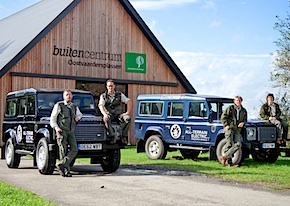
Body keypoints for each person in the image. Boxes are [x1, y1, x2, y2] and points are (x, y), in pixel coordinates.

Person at [50, 90, 82, 177]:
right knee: (63, 151)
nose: (68, 96)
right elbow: (52, 119)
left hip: (71, 131)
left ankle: (62, 164)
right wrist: (56, 128)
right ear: (64, 96)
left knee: (74, 149)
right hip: (62, 130)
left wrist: (77, 118)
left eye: (70, 95)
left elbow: (80, 115)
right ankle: (66, 171)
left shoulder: (74, 107)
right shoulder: (59, 105)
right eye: (67, 95)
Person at [98, 79, 132, 145]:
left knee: (128, 118)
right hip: (109, 114)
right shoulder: (103, 96)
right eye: (109, 86)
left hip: (118, 114)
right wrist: (105, 114)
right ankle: (112, 136)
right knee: (106, 119)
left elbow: (129, 101)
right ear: (106, 87)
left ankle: (123, 136)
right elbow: (101, 105)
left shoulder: (119, 95)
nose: (110, 87)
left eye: (111, 86)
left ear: (114, 86)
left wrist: (127, 113)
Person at [220, 96, 247, 167]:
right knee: (229, 144)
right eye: (237, 100)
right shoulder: (230, 108)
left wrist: (243, 123)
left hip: (237, 129)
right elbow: (223, 117)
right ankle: (230, 162)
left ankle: (225, 156)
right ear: (234, 101)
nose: (238, 102)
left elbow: (245, 119)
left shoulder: (243, 111)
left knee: (238, 145)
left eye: (239, 100)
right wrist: (226, 125)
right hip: (230, 128)